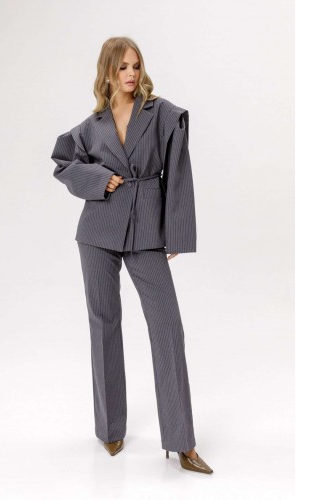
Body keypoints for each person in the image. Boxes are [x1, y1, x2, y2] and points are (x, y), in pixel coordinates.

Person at [51, 36, 213, 474]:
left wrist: (176, 232)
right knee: (103, 324)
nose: (131, 74)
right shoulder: (92, 125)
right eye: (122, 67)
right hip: (98, 230)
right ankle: (109, 429)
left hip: (145, 230)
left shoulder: (161, 114)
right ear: (107, 72)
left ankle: (182, 442)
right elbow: (62, 162)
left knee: (167, 329)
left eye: (136, 66)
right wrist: (97, 178)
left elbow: (178, 172)